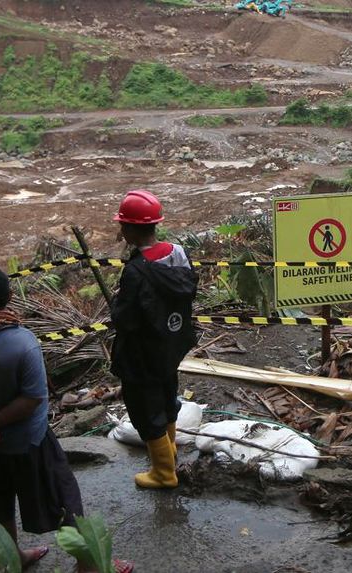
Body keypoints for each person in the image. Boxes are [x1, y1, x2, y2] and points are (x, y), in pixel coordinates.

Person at [0, 267, 132, 573]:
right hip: (29, 441)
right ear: (9, 297)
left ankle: (13, 559)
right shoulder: (21, 342)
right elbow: (31, 400)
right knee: (64, 498)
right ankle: (89, 565)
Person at [110, 189, 199, 489]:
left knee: (146, 409)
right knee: (166, 396)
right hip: (172, 344)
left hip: (142, 354)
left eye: (123, 224)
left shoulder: (136, 271)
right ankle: (168, 451)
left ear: (133, 229)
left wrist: (117, 302)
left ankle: (163, 473)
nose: (120, 230)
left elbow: (125, 319)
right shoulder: (178, 253)